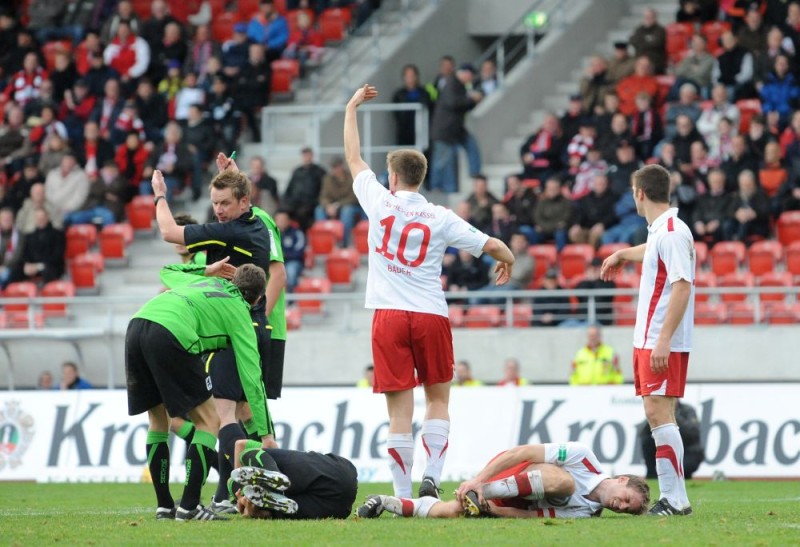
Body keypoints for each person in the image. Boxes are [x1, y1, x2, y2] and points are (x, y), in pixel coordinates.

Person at [344, 84, 515, 501]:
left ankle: (403, 495)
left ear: (394, 177)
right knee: (438, 398)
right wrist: (505, 258)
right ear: (420, 178)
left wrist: (351, 107)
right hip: (430, 314)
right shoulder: (441, 216)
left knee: (398, 410)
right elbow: (493, 245)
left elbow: (353, 157)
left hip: (388, 314)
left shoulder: (379, 201)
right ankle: (432, 477)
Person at [150, 166, 277, 514]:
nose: (218, 210)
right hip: (255, 324)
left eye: (224, 203)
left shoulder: (230, 233)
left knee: (222, 415)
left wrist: (160, 193)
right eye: (214, 203)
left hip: (233, 327)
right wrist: (234, 175)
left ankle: (225, 493)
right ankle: (250, 486)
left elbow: (167, 231)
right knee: (247, 413)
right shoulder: (257, 225)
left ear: (244, 202)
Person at [125, 258, 270, 521]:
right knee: (210, 420)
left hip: (138, 324)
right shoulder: (240, 311)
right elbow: (253, 378)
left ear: (231, 280)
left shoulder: (206, 281)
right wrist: (265, 433)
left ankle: (165, 506)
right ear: (258, 299)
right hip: (171, 332)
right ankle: (190, 506)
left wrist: (207, 269)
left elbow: (166, 270)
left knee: (159, 421)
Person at [600, 164, 696, 516]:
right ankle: (677, 497)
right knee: (659, 412)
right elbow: (654, 250)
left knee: (658, 412)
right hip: (651, 337)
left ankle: (673, 498)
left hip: (660, 338)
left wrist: (664, 340)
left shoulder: (670, 232)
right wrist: (624, 253)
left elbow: (682, 287)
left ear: (640, 193)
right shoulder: (663, 230)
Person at [357, 441, 650, 519]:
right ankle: (479, 492)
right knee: (565, 483)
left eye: (626, 510)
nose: (620, 506)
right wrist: (478, 481)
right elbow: (522, 451)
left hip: (510, 497)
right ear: (621, 478)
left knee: (451, 512)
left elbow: (531, 514)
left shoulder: (587, 514)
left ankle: (385, 502)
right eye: (626, 499)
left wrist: (491, 510)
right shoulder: (583, 457)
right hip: (509, 473)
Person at [231, 438, 358, 519]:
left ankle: (271, 488)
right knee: (248, 454)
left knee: (268, 510)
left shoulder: (265, 461)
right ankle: (272, 485)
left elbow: (240, 444)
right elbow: (240, 444)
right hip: (340, 496)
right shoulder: (271, 457)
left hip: (334, 507)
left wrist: (247, 505)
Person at [429, 64, 483, 193]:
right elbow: (454, 103)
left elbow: (461, 106)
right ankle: (438, 187)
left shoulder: (458, 85)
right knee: (442, 160)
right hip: (445, 130)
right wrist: (471, 99)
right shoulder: (452, 83)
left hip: (455, 129)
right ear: (466, 73)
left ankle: (475, 174)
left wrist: (473, 101)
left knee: (471, 145)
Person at [639, 400, 705, 480]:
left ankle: (684, 475)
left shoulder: (687, 410)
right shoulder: (659, 411)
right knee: (647, 441)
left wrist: (672, 417)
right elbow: (643, 433)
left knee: (682, 470)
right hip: (668, 449)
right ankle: (651, 474)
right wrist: (653, 418)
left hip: (687, 450)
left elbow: (693, 433)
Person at [314, 156, 361, 246]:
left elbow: (354, 197)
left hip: (350, 206)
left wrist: (337, 205)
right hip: (332, 206)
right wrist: (328, 206)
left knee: (347, 211)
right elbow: (323, 196)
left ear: (342, 166)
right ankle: (324, 239)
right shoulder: (327, 179)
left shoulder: (351, 177)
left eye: (337, 166)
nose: (335, 169)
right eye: (333, 167)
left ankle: (343, 241)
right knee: (319, 210)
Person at [392, 64, 432, 146]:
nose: (410, 79)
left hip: (422, 132)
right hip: (404, 133)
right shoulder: (399, 95)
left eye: (412, 75)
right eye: (407, 76)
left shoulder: (424, 93)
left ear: (417, 76)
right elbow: (397, 115)